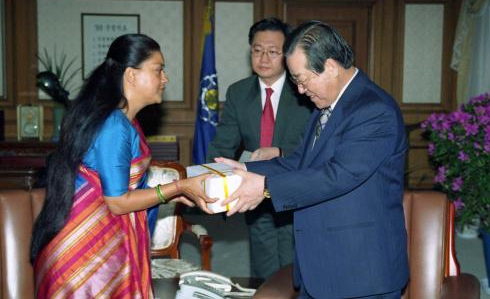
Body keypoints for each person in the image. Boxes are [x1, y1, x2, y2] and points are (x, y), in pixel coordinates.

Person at [215, 21, 409, 298]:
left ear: (330, 67)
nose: (301, 90)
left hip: (360, 269)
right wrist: (246, 168)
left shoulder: (373, 109)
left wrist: (265, 186)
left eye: (302, 79)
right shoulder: (327, 105)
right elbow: (300, 163)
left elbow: (339, 175)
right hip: (320, 264)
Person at [30, 34, 215, 298]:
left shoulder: (126, 121)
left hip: (101, 246)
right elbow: (118, 201)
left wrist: (176, 191)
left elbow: (123, 184)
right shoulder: (114, 125)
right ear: (131, 75)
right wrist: (178, 187)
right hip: (84, 257)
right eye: (158, 70)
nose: (165, 79)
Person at [207, 17, 313, 279]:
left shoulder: (304, 89)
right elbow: (223, 143)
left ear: (287, 53)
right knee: (263, 268)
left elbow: (317, 141)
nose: (264, 58)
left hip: (295, 187)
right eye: (257, 50)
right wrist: (206, 178)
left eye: (273, 51)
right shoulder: (238, 92)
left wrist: (280, 152)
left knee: (295, 264)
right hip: (254, 191)